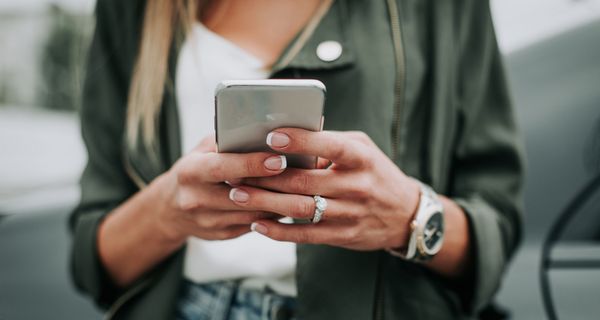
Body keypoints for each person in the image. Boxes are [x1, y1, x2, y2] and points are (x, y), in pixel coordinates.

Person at [69, 0, 524, 319]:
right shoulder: (133, 9)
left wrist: (409, 214)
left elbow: (495, 238)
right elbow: (93, 264)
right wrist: (167, 211)